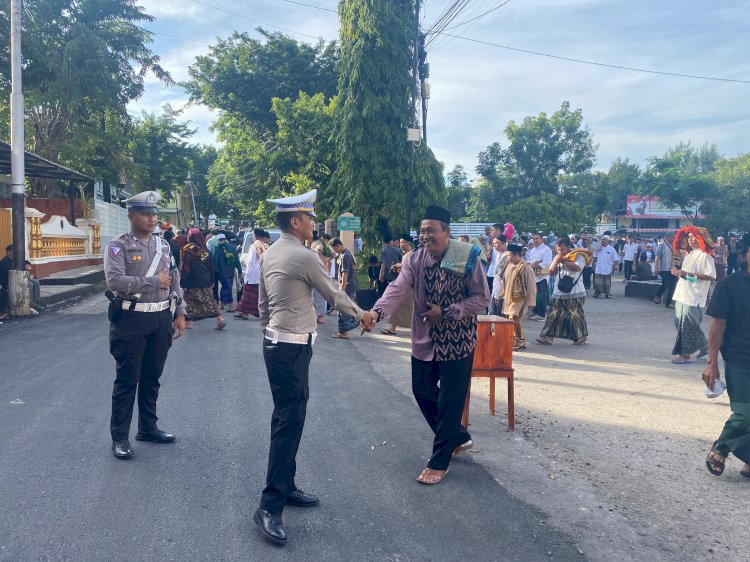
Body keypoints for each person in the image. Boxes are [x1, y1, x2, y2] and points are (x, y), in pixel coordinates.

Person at [254, 189, 372, 545]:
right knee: (288, 422)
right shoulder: (304, 257)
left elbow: (262, 305)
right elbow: (334, 293)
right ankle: (269, 506)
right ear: (295, 222)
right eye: (309, 218)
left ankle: (286, 486)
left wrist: (274, 331)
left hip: (276, 344)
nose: (313, 223)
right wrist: (362, 314)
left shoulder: (270, 252)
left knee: (289, 416)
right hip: (290, 349)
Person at [362, 205, 490, 485]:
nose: (424, 236)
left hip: (458, 341)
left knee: (450, 399)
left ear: (447, 232)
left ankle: (440, 460)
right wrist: (376, 312)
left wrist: (447, 312)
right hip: (425, 339)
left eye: (431, 230)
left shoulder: (466, 257)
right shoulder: (415, 259)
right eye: (421, 231)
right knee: (421, 390)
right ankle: (456, 437)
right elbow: (397, 288)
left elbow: (482, 298)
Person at [103, 191, 186, 460]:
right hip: (131, 320)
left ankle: (148, 427)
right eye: (146, 214)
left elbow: (173, 278)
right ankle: (120, 437)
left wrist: (181, 312)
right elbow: (115, 281)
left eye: (154, 214)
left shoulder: (163, 246)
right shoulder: (118, 246)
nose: (152, 219)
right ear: (131, 216)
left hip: (161, 317)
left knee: (152, 376)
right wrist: (152, 283)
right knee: (128, 380)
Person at [703, 233, 750, 479]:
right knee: (745, 412)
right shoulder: (729, 286)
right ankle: (722, 445)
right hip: (741, 360)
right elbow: (717, 326)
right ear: (744, 255)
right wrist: (712, 364)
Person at [670, 226, 716, 364]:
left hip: (694, 296)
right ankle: (704, 345)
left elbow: (712, 276)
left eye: (693, 237)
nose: (689, 239)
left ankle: (685, 355)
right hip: (682, 293)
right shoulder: (689, 255)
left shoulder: (706, 256)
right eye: (688, 237)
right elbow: (690, 278)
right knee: (679, 323)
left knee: (688, 325)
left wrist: (689, 274)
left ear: (700, 238)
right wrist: (679, 273)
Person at [537, 237, 590, 346]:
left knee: (575, 316)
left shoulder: (579, 255)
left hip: (575, 291)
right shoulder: (558, 257)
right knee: (553, 315)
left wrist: (564, 261)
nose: (560, 252)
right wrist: (556, 261)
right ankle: (547, 337)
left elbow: (577, 268)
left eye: (562, 249)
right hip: (559, 291)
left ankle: (581, 338)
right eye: (558, 249)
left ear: (569, 247)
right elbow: (551, 272)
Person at [180, 228, 226, 330]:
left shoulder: (187, 249)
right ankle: (219, 318)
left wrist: (183, 282)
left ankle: (188, 322)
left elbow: (185, 268)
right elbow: (211, 267)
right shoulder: (204, 250)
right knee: (209, 300)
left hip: (191, 280)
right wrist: (212, 280)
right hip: (205, 279)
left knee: (188, 301)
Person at [501, 244, 537, 351]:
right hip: (508, 298)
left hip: (520, 299)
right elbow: (504, 283)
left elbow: (531, 286)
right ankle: (516, 340)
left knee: (514, 319)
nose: (508, 258)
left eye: (509, 256)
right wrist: (499, 295)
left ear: (517, 255)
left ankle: (519, 340)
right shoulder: (508, 266)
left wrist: (531, 302)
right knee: (510, 319)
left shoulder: (526, 268)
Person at [381, 235, 415, 335]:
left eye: (402, 242)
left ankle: (394, 327)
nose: (400, 244)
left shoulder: (411, 254)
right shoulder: (405, 254)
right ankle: (393, 327)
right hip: (404, 284)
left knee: (407, 308)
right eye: (400, 242)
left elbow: (409, 268)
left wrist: (399, 266)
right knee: (400, 306)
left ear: (408, 243)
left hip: (408, 285)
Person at [235, 229, 268, 320]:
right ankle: (244, 313)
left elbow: (250, 261)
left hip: (253, 275)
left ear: (255, 236)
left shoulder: (254, 246)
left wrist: (247, 274)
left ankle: (246, 313)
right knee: (256, 296)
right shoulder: (264, 245)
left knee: (249, 296)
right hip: (261, 273)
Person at [330, 239, 359, 339]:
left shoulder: (345, 256)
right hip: (350, 285)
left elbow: (345, 273)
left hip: (347, 286)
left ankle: (344, 332)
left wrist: (342, 289)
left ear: (338, 246)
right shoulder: (346, 253)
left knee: (343, 310)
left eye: (334, 248)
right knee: (345, 309)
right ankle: (344, 331)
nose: (334, 251)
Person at [526, 232, 553, 320]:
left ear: (542, 239)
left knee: (542, 295)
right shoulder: (532, 250)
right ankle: (535, 311)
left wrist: (536, 264)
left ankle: (542, 315)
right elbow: (529, 260)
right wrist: (531, 264)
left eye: (537, 238)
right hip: (533, 275)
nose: (535, 240)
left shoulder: (546, 249)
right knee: (534, 295)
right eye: (534, 239)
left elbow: (547, 262)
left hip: (542, 276)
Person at [213, 233, 242, 312]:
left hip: (221, 272)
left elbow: (215, 261)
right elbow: (237, 260)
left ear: (219, 240)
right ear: (225, 239)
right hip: (230, 271)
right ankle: (225, 303)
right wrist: (240, 271)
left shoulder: (219, 248)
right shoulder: (232, 248)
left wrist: (212, 272)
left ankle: (229, 304)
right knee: (227, 287)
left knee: (225, 287)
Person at [654, 234, 676, 307]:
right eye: (673, 236)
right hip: (664, 268)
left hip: (674, 268)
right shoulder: (662, 245)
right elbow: (657, 257)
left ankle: (668, 303)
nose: (674, 237)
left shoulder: (676, 246)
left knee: (672, 286)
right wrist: (656, 267)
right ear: (668, 237)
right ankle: (658, 295)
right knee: (666, 283)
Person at [489, 234, 508, 316]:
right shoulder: (497, 254)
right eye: (494, 243)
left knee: (500, 316)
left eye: (497, 243)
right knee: (492, 313)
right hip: (496, 288)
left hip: (503, 290)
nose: (495, 245)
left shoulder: (507, 256)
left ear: (504, 243)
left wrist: (500, 292)